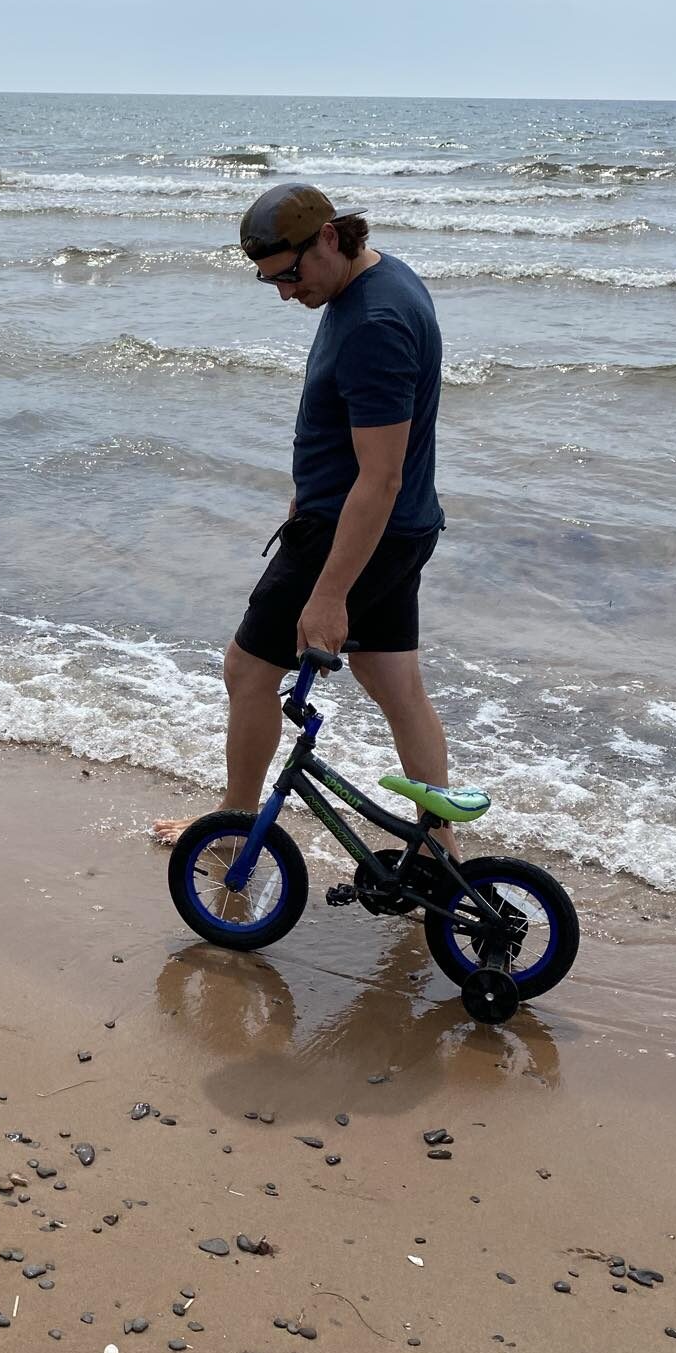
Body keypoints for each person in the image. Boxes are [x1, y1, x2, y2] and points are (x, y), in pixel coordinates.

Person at [153, 183, 458, 876]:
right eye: (270, 282)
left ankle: (233, 828)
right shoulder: (376, 280)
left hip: (355, 532)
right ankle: (442, 852)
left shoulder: (375, 321)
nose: (286, 293)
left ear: (330, 237)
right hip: (400, 528)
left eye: (290, 274)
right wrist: (302, 499)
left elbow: (377, 477)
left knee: (247, 671)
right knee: (394, 682)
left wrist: (328, 593)